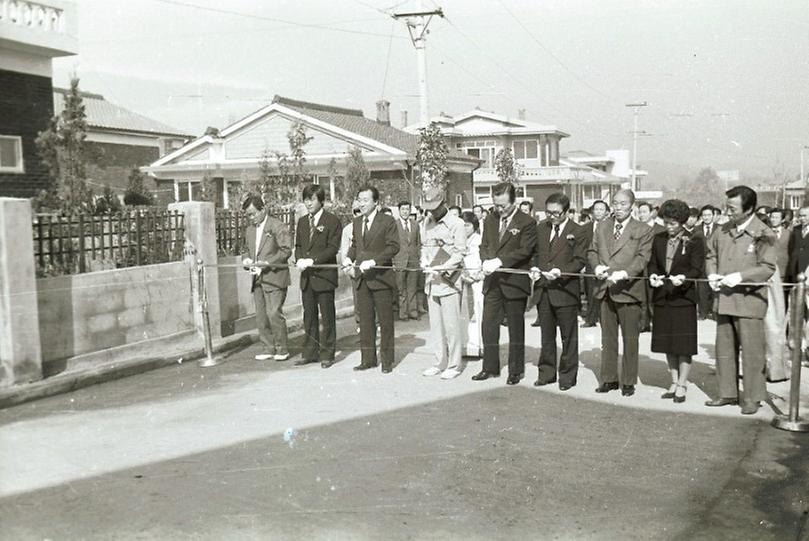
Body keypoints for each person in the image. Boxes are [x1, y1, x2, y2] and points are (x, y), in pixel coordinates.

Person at [705, 185, 776, 415]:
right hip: (725, 298)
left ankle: (753, 397)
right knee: (724, 348)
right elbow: (711, 254)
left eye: (732, 208)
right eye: (726, 206)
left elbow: (767, 268)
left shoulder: (764, 233)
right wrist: (712, 274)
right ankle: (727, 393)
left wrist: (741, 276)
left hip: (749, 300)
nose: (727, 212)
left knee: (752, 351)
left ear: (749, 209)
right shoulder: (722, 230)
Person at [587, 189, 653, 397]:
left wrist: (626, 273)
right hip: (605, 288)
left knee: (630, 338)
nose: (618, 208)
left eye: (623, 204)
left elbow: (643, 258)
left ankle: (628, 381)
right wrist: (596, 266)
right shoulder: (603, 226)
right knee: (608, 338)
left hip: (628, 290)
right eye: (615, 203)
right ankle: (609, 379)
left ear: (632, 206)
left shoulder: (642, 229)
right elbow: (592, 251)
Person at [472, 182, 538, 385]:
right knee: (488, 325)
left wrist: (500, 261)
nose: (499, 209)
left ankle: (516, 370)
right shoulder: (491, 219)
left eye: (503, 206)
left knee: (515, 328)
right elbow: (484, 244)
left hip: (514, 282)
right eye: (495, 204)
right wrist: (485, 260)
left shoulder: (526, 221)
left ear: (514, 201)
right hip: (492, 282)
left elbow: (525, 250)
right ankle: (490, 367)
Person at [647, 199, 705, 403]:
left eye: (673, 223)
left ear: (682, 221)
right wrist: (653, 276)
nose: (668, 227)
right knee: (667, 342)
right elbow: (653, 263)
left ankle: (682, 383)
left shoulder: (695, 240)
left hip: (683, 298)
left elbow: (697, 268)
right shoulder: (658, 239)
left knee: (683, 344)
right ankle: (673, 381)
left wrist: (685, 279)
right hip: (663, 295)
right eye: (666, 222)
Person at [529, 192, 587, 390]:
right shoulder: (541, 228)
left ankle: (567, 377)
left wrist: (561, 272)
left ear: (566, 212)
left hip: (565, 291)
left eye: (556, 213)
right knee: (546, 336)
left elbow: (580, 260)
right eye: (548, 212)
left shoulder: (578, 231)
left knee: (568, 337)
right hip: (544, 290)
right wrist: (535, 268)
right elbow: (535, 254)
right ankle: (546, 373)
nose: (551, 217)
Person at [344, 185, 400, 373]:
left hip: (381, 278)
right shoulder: (357, 222)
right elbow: (355, 245)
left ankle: (387, 360)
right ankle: (368, 359)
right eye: (360, 200)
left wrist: (374, 261)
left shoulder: (387, 221)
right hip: (362, 278)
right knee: (366, 322)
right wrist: (348, 257)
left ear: (376, 202)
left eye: (366, 200)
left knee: (385, 321)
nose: (362, 203)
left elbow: (393, 247)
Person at [419, 187, 468, 379]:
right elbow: (425, 247)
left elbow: (460, 252)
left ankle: (454, 364)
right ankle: (439, 362)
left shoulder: (457, 224)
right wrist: (423, 260)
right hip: (431, 281)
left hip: (449, 281)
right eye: (429, 208)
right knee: (436, 326)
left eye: (435, 207)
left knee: (452, 326)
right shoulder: (427, 223)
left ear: (444, 203)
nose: (432, 211)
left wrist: (442, 267)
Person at [293, 184, 342, 368]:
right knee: (309, 316)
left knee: (327, 316)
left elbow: (332, 247)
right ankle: (310, 353)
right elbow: (298, 246)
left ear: (321, 201)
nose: (308, 202)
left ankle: (327, 354)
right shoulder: (303, 222)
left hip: (324, 276)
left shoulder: (332, 221)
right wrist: (299, 259)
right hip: (307, 278)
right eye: (305, 199)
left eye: (312, 199)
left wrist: (313, 260)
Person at [242, 194, 292, 362]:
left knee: (274, 313)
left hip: (275, 277)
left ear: (263, 209)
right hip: (257, 279)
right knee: (261, 315)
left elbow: (286, 250)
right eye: (248, 215)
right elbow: (246, 250)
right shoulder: (249, 230)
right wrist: (246, 260)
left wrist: (267, 263)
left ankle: (282, 348)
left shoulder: (277, 225)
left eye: (253, 213)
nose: (251, 217)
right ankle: (267, 347)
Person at [460, 211, 484, 358]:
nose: (464, 228)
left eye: (467, 225)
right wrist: (463, 276)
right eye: (462, 225)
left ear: (474, 226)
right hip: (463, 281)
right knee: (463, 315)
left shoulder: (480, 241)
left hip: (478, 283)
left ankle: (478, 347)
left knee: (478, 313)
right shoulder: (458, 242)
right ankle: (464, 346)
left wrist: (478, 276)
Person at [582, 200, 610, 328]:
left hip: (606, 264)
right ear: (592, 212)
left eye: (601, 209)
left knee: (605, 291)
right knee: (590, 291)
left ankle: (605, 318)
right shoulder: (585, 228)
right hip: (590, 264)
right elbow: (582, 248)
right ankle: (591, 318)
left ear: (606, 212)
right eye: (596, 209)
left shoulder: (611, 226)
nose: (598, 212)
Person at [394, 201, 421, 321]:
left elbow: (418, 243)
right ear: (399, 211)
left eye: (407, 209)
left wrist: (419, 258)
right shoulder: (394, 225)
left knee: (412, 287)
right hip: (400, 260)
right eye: (403, 209)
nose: (405, 211)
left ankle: (413, 311)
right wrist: (393, 261)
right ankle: (403, 313)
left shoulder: (415, 224)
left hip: (413, 260)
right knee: (401, 289)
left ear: (410, 211)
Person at [340, 201, 362, 333]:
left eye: (360, 211)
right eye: (356, 211)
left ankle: (375, 322)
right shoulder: (347, 230)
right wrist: (349, 269)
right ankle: (359, 322)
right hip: (355, 268)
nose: (358, 214)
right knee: (358, 297)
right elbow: (344, 252)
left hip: (369, 267)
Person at [694, 205, 717, 319]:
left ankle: (714, 313)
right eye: (704, 215)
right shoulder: (696, 229)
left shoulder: (720, 229)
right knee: (702, 290)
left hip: (715, 264)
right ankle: (702, 313)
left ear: (714, 216)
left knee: (715, 289)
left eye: (709, 215)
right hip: (701, 264)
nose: (706, 218)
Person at [768, 208, 790, 281]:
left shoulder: (790, 234)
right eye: (772, 217)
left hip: (783, 271)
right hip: (767, 272)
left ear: (783, 220)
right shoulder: (764, 233)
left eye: (777, 217)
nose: (773, 220)